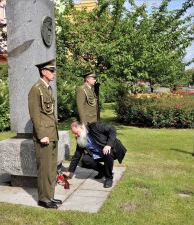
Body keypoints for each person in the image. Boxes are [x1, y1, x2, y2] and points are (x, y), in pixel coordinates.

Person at [28, 59, 62, 209]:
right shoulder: (36, 89)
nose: (54, 73)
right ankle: (43, 199)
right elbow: (35, 115)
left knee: (51, 168)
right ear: (43, 71)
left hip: (52, 134)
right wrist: (42, 135)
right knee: (44, 169)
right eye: (51, 70)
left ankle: (50, 196)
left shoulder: (48, 89)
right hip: (45, 136)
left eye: (54, 70)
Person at [64, 121, 127, 188]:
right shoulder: (80, 138)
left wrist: (108, 145)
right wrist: (69, 171)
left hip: (110, 150)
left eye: (76, 133)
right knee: (85, 160)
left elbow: (112, 129)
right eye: (74, 134)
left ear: (82, 128)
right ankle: (103, 171)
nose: (76, 135)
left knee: (108, 153)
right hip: (97, 154)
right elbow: (77, 154)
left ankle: (109, 177)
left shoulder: (95, 126)